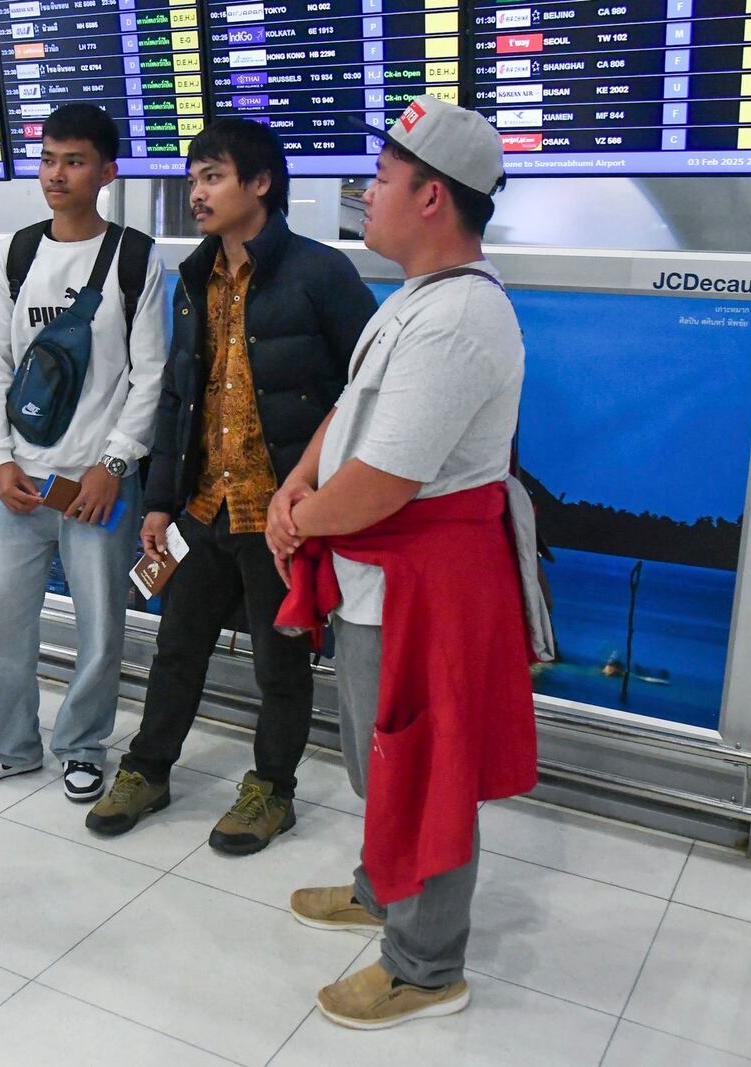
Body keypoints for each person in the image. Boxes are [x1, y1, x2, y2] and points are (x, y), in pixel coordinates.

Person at [268, 97, 539, 1028]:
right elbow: (347, 423)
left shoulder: (464, 318)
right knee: (378, 756)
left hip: (428, 583)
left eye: (380, 179)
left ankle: (426, 965)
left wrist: (301, 521)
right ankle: (384, 885)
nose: (364, 192)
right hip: (375, 573)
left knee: (428, 763)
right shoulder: (412, 304)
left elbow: (384, 481)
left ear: (432, 198)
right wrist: (295, 487)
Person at [86, 118, 377, 853]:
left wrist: (323, 496)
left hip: (280, 513)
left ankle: (272, 789)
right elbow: (176, 397)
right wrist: (158, 501)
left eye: (212, 176)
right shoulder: (191, 278)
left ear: (260, 184)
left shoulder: (321, 275)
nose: (198, 192)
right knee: (177, 649)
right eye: (192, 179)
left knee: (282, 663)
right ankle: (148, 769)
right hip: (204, 506)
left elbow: (370, 392)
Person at [0, 103, 166, 801]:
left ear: (107, 170)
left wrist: (114, 464)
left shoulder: (135, 256)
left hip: (95, 487)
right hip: (21, 484)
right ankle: (9, 745)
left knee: (101, 629)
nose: (56, 174)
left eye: (73, 161)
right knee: (0, 624)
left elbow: (150, 372)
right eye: (47, 159)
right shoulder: (15, 253)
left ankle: (81, 744)